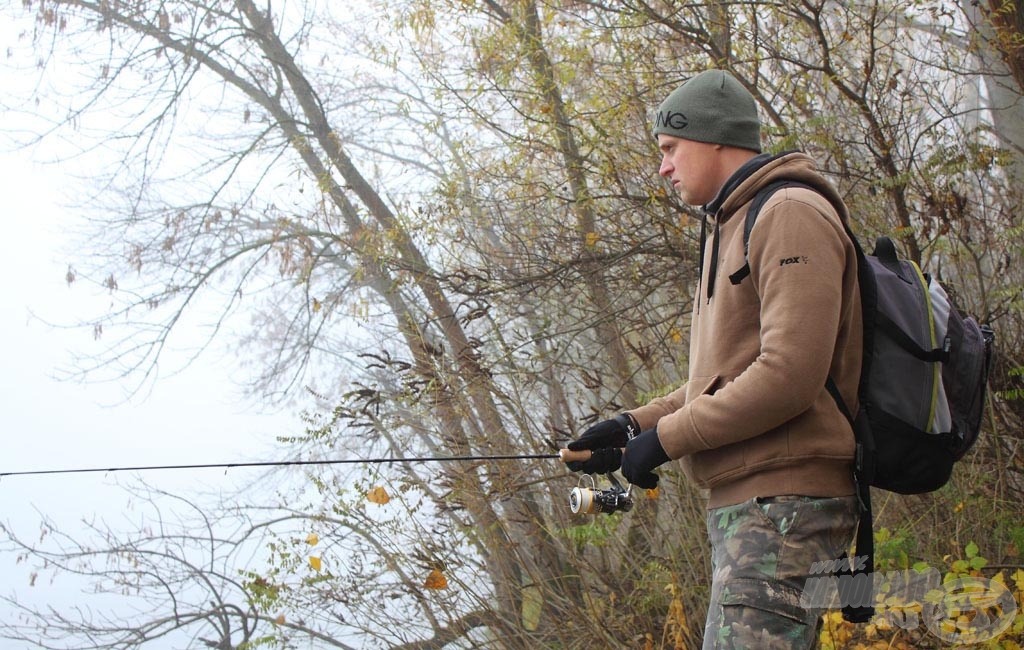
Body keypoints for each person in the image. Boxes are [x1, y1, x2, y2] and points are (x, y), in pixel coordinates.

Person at [564, 69, 864, 649]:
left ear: (717, 139)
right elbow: (720, 378)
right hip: (754, 506)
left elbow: (789, 375)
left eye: (671, 148)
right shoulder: (729, 226)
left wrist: (668, 439)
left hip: (786, 505)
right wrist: (633, 426)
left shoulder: (788, 213)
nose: (664, 167)